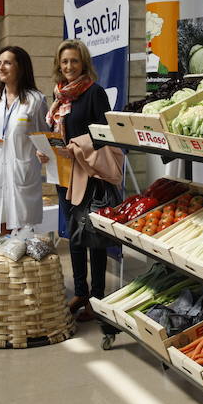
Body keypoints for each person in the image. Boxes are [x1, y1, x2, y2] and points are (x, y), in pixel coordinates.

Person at [44, 39, 122, 322]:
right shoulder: (59, 97)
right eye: (64, 61)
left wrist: (74, 147)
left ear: (84, 63)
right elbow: (55, 131)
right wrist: (49, 151)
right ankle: (80, 291)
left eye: (74, 61)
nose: (68, 67)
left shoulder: (94, 93)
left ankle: (97, 298)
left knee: (93, 236)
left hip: (88, 176)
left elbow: (104, 135)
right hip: (63, 175)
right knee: (73, 235)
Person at [0, 46, 48, 234]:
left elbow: (45, 136)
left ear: (20, 67)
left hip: (22, 170)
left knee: (23, 228)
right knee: (1, 222)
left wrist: (43, 151)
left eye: (8, 63)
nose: (1, 67)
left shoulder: (35, 100)